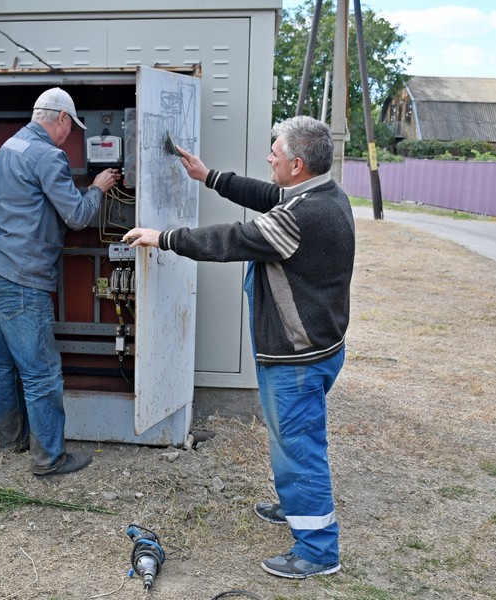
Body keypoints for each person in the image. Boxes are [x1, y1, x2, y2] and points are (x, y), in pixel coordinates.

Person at [123, 115, 354, 578]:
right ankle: (296, 508)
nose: (269, 156)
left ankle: (318, 551)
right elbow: (265, 195)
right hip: (318, 349)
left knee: (299, 446)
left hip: (297, 358)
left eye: (275, 151)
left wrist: (163, 237)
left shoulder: (302, 217)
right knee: (294, 440)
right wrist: (208, 176)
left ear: (297, 163)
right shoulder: (325, 194)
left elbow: (234, 239)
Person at [0, 87, 120, 477]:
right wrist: (98, 188)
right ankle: (50, 458)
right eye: (71, 129)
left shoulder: (10, 146)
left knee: (4, 364)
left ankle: (12, 440)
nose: (70, 137)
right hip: (22, 276)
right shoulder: (48, 155)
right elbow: (76, 215)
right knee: (41, 372)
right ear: (61, 119)